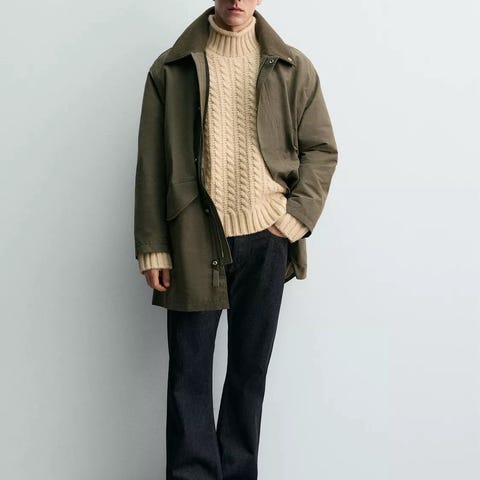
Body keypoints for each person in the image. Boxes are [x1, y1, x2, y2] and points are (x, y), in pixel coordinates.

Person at [134, 1, 338, 479]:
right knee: (188, 374)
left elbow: (321, 150)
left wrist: (294, 219)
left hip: (266, 241)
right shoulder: (171, 68)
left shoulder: (292, 67)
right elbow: (151, 161)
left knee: (249, 372)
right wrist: (153, 244)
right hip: (192, 241)